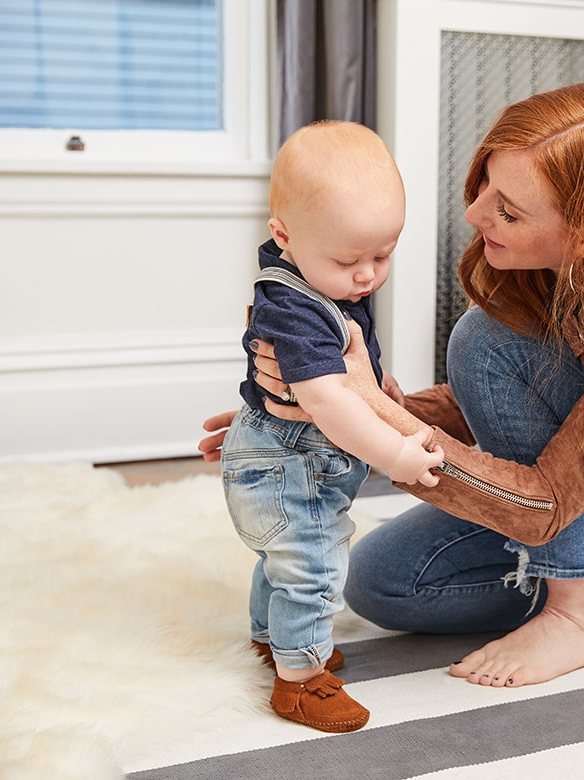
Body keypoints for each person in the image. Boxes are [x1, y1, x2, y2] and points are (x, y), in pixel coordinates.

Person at [201, 82, 584, 690]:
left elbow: (551, 494)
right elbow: (510, 400)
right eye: (485, 184)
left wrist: (373, 408)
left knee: (482, 341)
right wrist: (310, 415)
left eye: (508, 211)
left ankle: (581, 614)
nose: (475, 213)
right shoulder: (545, 263)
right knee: (381, 582)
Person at [221, 119, 443, 733]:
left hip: (291, 460)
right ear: (284, 236)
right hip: (288, 465)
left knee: (283, 561)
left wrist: (380, 383)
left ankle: (272, 640)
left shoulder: (323, 271)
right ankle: (300, 681)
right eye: (350, 259)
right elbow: (327, 401)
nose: (369, 274)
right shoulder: (291, 304)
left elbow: (351, 359)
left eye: (383, 254)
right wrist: (397, 455)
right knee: (313, 565)